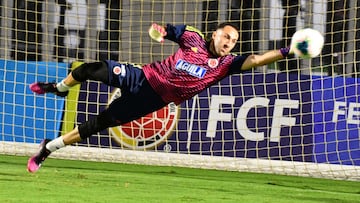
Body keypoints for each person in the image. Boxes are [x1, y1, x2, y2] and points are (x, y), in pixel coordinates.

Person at [27, 22, 293, 173]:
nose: (228, 43)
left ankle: (48, 148)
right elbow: (168, 31)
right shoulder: (193, 38)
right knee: (90, 69)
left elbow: (257, 59)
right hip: (143, 77)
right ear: (215, 34)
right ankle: (60, 87)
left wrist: (286, 50)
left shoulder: (226, 65)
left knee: (100, 123)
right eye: (226, 36)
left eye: (233, 41)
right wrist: (160, 32)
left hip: (152, 101)